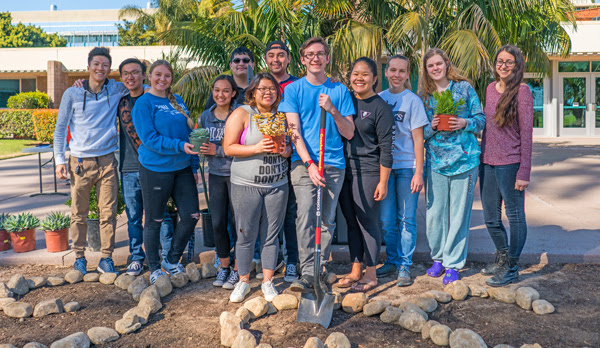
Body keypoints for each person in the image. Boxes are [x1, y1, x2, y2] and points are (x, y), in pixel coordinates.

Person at [279, 37, 355, 293]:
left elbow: (349, 132)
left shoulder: (339, 91)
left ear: (327, 58)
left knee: (327, 220)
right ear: (302, 59)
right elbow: (293, 131)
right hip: (304, 164)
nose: (315, 58)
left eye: (320, 54)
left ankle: (320, 269)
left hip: (333, 163)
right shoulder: (293, 90)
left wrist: (332, 110)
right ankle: (307, 272)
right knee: (306, 216)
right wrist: (310, 163)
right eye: (310, 54)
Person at [54, 47, 130, 275]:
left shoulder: (116, 89)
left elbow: (141, 85)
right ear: (88, 67)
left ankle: (106, 257)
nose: (100, 68)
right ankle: (79, 257)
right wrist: (59, 159)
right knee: (79, 212)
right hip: (80, 162)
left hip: (107, 160)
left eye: (105, 65)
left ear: (109, 69)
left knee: (108, 212)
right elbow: (60, 128)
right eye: (96, 64)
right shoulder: (72, 93)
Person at [223, 72, 292, 302]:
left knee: (271, 235)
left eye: (272, 88)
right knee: (245, 234)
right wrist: (256, 148)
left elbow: (288, 149)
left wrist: (283, 150)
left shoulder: (281, 116)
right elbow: (228, 148)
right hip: (246, 184)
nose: (267, 92)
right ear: (253, 92)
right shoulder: (243, 113)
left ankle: (268, 281)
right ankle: (243, 281)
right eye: (262, 88)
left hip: (277, 184)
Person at [131, 60, 200, 284]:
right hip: (155, 169)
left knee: (191, 215)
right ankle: (153, 267)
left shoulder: (177, 100)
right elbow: (149, 139)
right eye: (158, 75)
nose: (162, 79)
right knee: (154, 220)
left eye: (167, 76)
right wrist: (179, 147)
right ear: (149, 77)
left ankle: (171, 260)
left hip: (182, 169)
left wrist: (194, 165)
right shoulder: (143, 103)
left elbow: (190, 135)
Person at [421, 48, 485, 284]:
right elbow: (421, 133)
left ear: (447, 64)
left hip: (464, 162)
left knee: (458, 215)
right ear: (426, 70)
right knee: (435, 214)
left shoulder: (464, 89)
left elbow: (481, 120)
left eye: (439, 63)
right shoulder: (425, 97)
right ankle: (438, 258)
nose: (435, 68)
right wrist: (433, 126)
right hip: (435, 163)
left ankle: (454, 263)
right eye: (430, 66)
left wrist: (464, 122)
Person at [337, 57, 394, 292]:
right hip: (345, 169)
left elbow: (386, 149)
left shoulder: (380, 108)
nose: (359, 78)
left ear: (374, 79)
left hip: (369, 171)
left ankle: (371, 273)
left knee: (368, 222)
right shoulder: (346, 100)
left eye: (365, 74)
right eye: (355, 74)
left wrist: (383, 181)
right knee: (351, 221)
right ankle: (355, 269)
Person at [480, 45, 533, 287]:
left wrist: (524, 172)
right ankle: (502, 258)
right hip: (488, 163)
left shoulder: (522, 92)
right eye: (500, 61)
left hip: (511, 164)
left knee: (515, 216)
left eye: (509, 62)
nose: (503, 65)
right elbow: (488, 128)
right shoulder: (491, 89)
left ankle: (512, 267)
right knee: (490, 217)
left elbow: (527, 135)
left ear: (517, 65)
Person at [116, 58, 174, 276]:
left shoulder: (156, 98)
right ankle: (137, 257)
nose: (130, 77)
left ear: (144, 75)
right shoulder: (120, 101)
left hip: (155, 166)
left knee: (160, 213)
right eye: (125, 74)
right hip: (129, 166)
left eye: (135, 72)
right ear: (121, 78)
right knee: (133, 215)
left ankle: (168, 257)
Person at [376, 55, 429, 287]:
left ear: (408, 75)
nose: (397, 75)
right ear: (386, 72)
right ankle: (393, 260)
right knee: (387, 220)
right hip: (385, 169)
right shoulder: (378, 99)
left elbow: (419, 139)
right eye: (393, 70)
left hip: (407, 167)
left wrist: (419, 171)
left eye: (402, 71)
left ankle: (405, 265)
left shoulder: (412, 101)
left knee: (406, 218)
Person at [262, 40, 300, 282]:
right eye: (271, 55)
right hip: (265, 159)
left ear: (288, 58)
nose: (276, 59)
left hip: (293, 156)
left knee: (291, 213)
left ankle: (293, 261)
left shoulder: (297, 85)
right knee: (269, 214)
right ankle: (271, 260)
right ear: (266, 59)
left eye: (281, 55)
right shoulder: (262, 84)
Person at [200, 75, 240, 289]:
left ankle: (237, 269)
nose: (220, 95)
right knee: (217, 223)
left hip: (237, 174)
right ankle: (224, 265)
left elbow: (244, 145)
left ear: (233, 92)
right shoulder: (206, 116)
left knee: (238, 223)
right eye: (216, 90)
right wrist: (201, 148)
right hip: (215, 175)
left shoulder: (240, 113)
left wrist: (219, 150)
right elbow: (202, 142)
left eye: (225, 90)